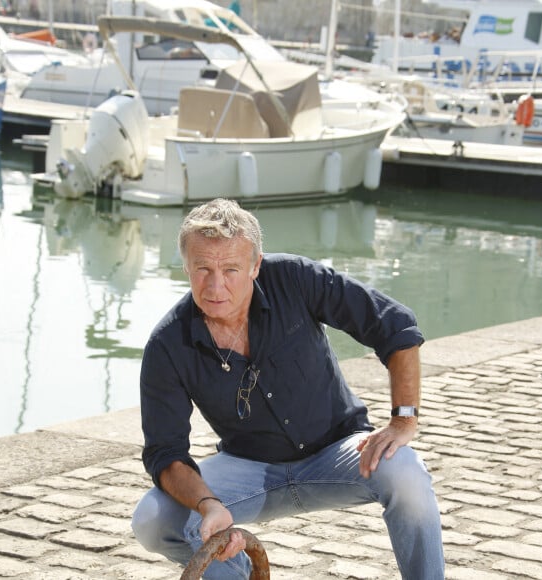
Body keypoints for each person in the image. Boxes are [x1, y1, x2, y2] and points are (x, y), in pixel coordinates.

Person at [132, 198, 444, 579]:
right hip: (249, 466)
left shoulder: (294, 278)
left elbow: (395, 325)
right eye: (203, 269)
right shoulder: (167, 344)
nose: (216, 286)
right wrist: (208, 504)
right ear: (185, 266)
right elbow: (167, 454)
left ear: (255, 265)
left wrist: (404, 419)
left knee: (406, 471)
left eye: (231, 269)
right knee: (152, 519)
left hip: (338, 453)